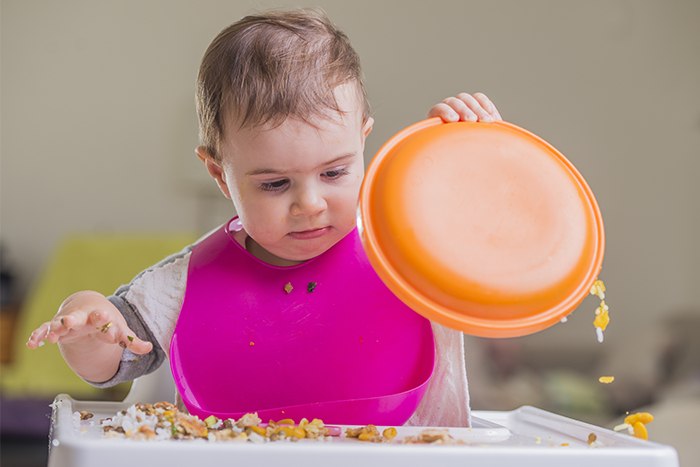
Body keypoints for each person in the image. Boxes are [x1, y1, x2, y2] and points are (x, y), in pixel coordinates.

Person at [26, 8, 501, 427]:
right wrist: (91, 323)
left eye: (334, 171)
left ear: (363, 140)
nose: (310, 203)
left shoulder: (410, 244)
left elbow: (495, 255)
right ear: (219, 173)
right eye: (275, 184)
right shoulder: (184, 283)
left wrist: (477, 162)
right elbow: (114, 361)